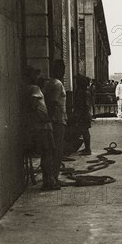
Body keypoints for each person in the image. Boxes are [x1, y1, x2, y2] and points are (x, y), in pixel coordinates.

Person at [24, 67, 56, 190]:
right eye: (35, 75)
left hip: (39, 126)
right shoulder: (34, 88)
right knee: (48, 152)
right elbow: (33, 106)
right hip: (42, 127)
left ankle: (48, 181)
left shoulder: (29, 88)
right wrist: (44, 118)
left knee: (46, 153)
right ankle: (48, 182)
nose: (38, 77)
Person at [44, 59, 67, 189]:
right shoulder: (57, 84)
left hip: (55, 120)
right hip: (57, 121)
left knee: (52, 151)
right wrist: (52, 120)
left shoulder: (50, 83)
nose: (63, 72)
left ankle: (52, 179)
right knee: (57, 151)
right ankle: (53, 179)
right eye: (62, 69)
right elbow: (52, 103)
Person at [73, 75, 93, 155]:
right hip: (81, 114)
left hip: (84, 115)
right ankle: (86, 148)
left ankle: (88, 149)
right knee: (83, 131)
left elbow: (86, 105)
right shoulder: (80, 91)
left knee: (85, 131)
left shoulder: (85, 92)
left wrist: (80, 114)